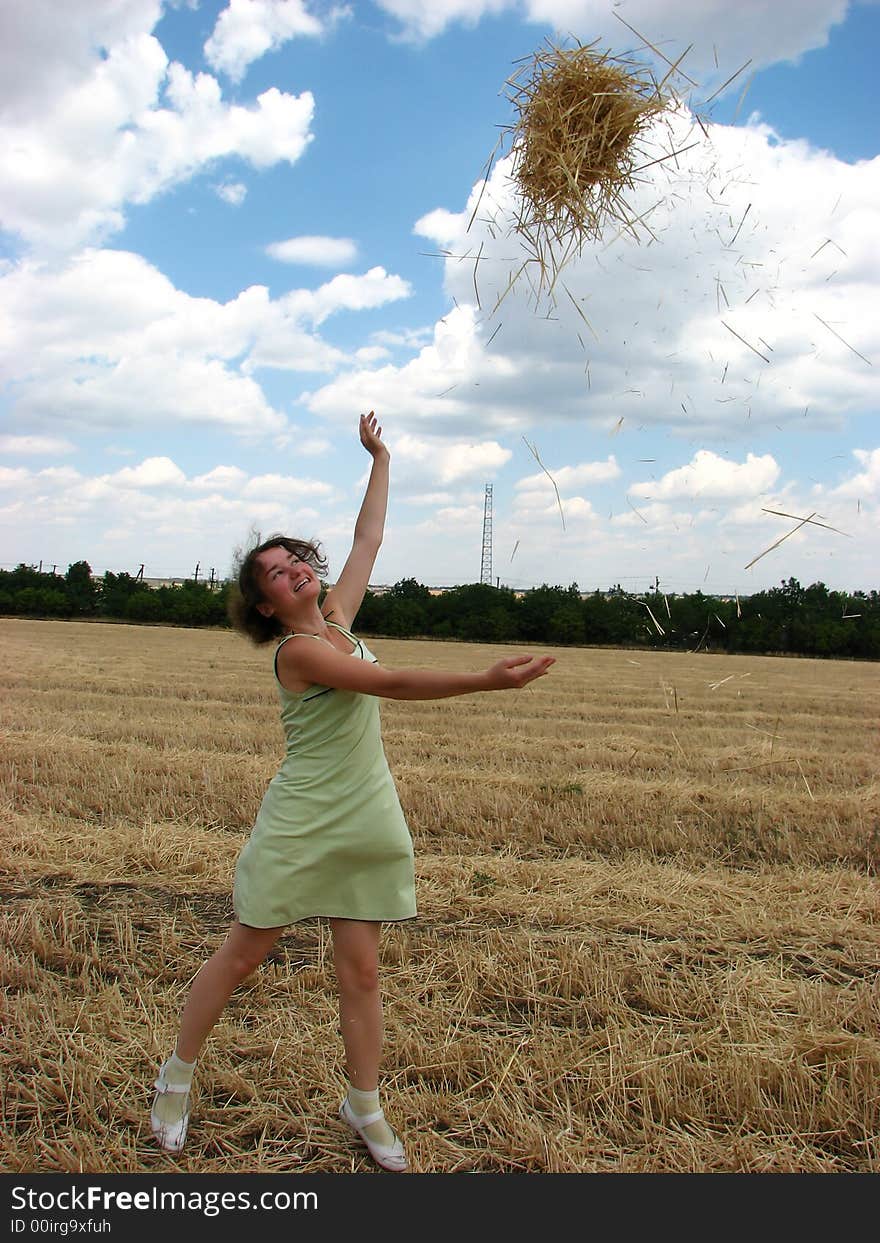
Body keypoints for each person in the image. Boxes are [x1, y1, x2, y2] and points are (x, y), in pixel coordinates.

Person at [150, 411, 555, 1171]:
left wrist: (381, 458)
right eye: (275, 571)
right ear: (265, 605)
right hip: (305, 822)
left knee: (362, 971)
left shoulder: (337, 617)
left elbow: (368, 538)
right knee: (240, 957)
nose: (294, 569)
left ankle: (363, 1104)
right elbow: (391, 681)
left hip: (367, 815)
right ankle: (176, 1077)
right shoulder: (302, 651)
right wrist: (484, 679)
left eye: (296, 559)